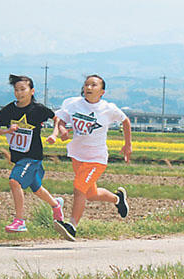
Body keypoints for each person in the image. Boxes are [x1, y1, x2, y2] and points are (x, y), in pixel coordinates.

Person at [48, 74, 131, 241]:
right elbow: (61, 120)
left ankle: (72, 226)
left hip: (96, 158)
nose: (89, 88)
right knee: (90, 194)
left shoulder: (108, 109)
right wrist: (62, 130)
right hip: (77, 155)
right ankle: (117, 199)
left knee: (79, 189)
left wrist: (127, 145)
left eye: (93, 85)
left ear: (102, 92)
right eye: (86, 84)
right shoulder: (72, 104)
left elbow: (126, 121)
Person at [0, 74, 64, 233]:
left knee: (14, 181)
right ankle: (56, 205)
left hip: (33, 157)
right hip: (18, 158)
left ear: (32, 91)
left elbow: (56, 118)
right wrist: (7, 130)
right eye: (16, 90)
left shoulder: (38, 109)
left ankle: (19, 221)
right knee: (37, 189)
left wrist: (54, 134)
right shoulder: (9, 109)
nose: (19, 93)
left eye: (23, 89)